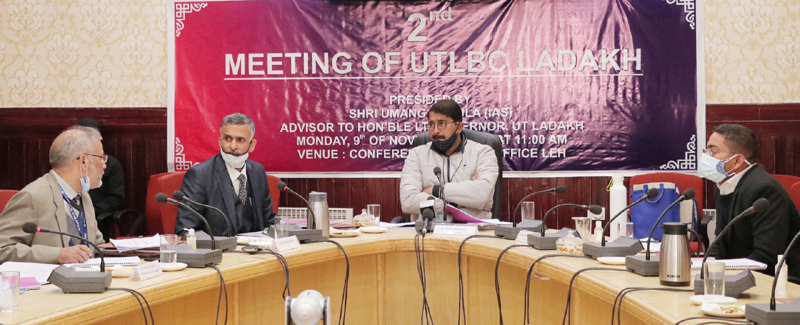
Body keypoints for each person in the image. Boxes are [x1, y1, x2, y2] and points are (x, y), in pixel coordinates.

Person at [700, 124, 800, 283]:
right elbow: (720, 243)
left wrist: (724, 275)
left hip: (779, 282)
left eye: (713, 150)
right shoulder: (722, 186)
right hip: (740, 275)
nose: (706, 156)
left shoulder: (764, 189)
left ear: (737, 160)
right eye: (706, 150)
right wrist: (710, 271)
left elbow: (766, 257)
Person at [0, 126, 107, 264]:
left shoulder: (83, 195)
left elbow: (95, 245)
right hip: (49, 284)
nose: (104, 165)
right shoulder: (33, 197)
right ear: (83, 161)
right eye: (102, 158)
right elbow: (2, 249)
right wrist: (57, 255)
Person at [174, 113, 276, 236]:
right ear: (220, 141)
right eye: (227, 139)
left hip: (257, 251)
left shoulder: (257, 171)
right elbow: (185, 231)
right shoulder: (200, 175)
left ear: (252, 145)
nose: (232, 146)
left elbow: (269, 221)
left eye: (240, 140)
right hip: (219, 252)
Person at [400, 100, 499, 220]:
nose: (435, 130)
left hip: (472, 230)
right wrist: (455, 204)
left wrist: (435, 191)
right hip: (428, 230)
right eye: (431, 124)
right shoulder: (416, 155)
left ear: (459, 127)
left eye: (442, 124)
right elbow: (408, 201)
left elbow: (482, 194)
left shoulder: (483, 152)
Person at [76, 118, 126, 241]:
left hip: (97, 216)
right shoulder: (69, 163)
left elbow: (116, 198)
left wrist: (89, 210)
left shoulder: (111, 164)